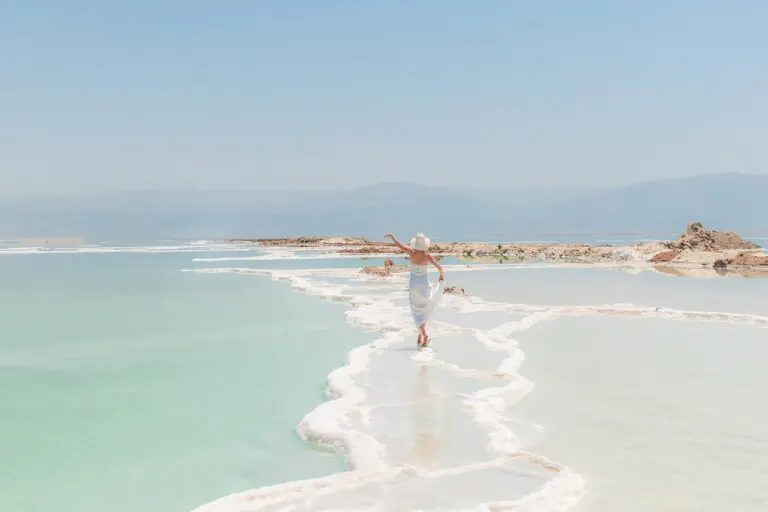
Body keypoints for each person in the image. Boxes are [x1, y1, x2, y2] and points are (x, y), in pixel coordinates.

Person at [385, 232, 445, 348]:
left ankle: (423, 334)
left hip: (413, 283)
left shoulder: (411, 252)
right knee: (424, 307)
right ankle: (421, 334)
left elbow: (400, 246)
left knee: (416, 309)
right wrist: (441, 276)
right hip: (423, 283)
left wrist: (392, 236)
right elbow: (440, 267)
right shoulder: (427, 255)